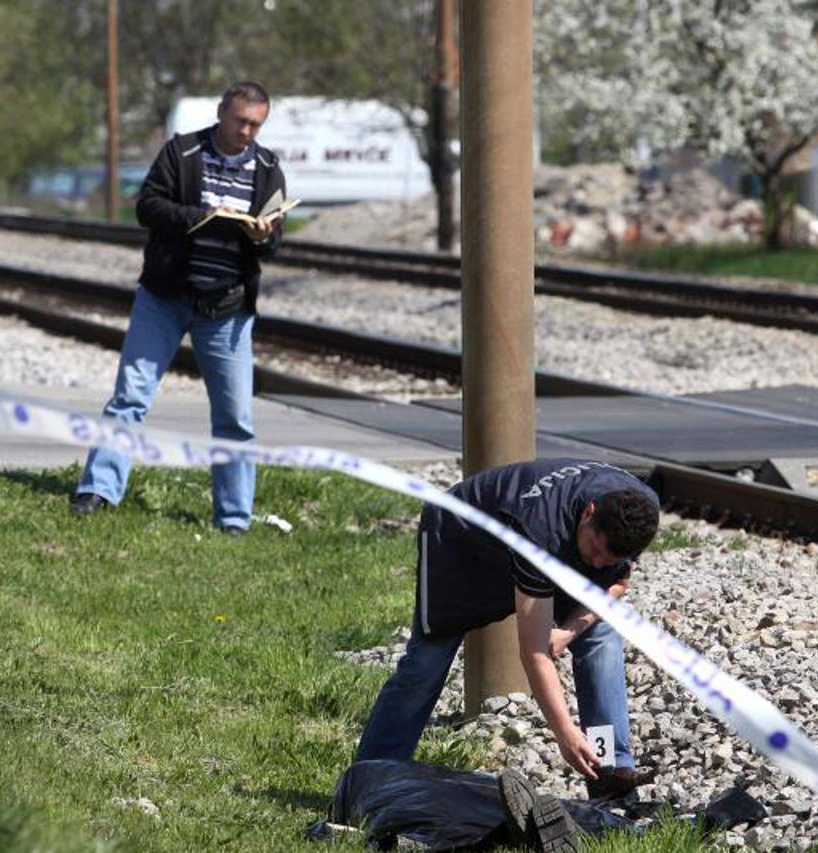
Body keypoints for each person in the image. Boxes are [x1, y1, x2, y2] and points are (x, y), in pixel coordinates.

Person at [355, 458, 660, 799]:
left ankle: (609, 774)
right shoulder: (540, 530)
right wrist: (564, 733)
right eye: (596, 550)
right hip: (461, 541)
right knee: (427, 661)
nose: (599, 564)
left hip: (552, 546)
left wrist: (571, 630)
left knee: (600, 637)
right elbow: (534, 652)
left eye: (609, 559)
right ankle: (369, 781)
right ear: (589, 511)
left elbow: (617, 584)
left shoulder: (641, 511)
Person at [72, 81, 286, 532]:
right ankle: (97, 491)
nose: (247, 131)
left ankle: (233, 518)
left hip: (227, 306)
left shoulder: (268, 168)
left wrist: (263, 237)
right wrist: (203, 216)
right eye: (240, 120)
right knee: (129, 397)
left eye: (256, 124)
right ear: (221, 113)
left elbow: (273, 244)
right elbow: (148, 207)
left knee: (235, 418)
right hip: (164, 297)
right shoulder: (182, 152)